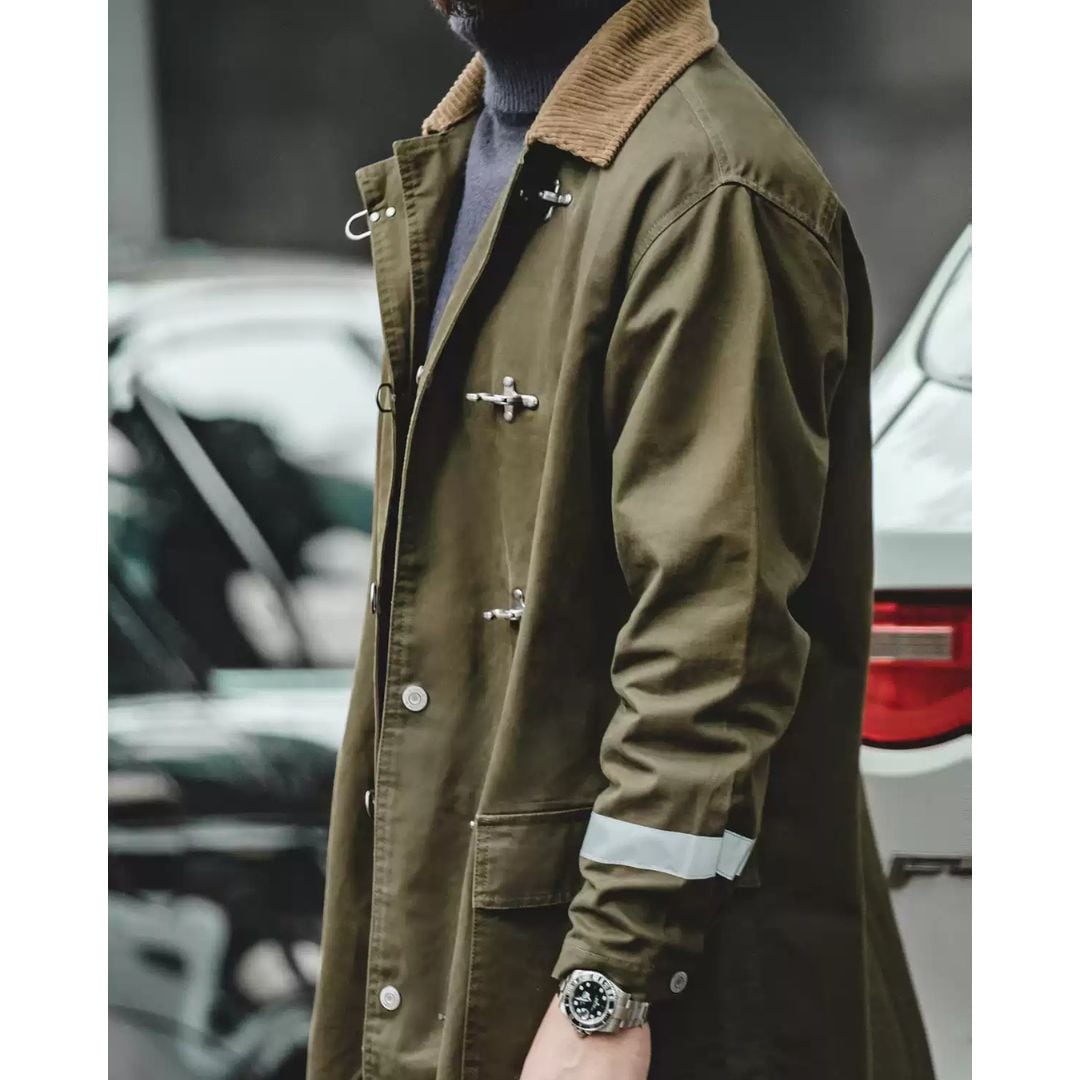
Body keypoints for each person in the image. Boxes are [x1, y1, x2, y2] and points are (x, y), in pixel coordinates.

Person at [308, 1, 935, 1078]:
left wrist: (609, 986)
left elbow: (713, 641)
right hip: (456, 956)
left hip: (633, 1008)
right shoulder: (471, 156)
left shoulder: (711, 188)